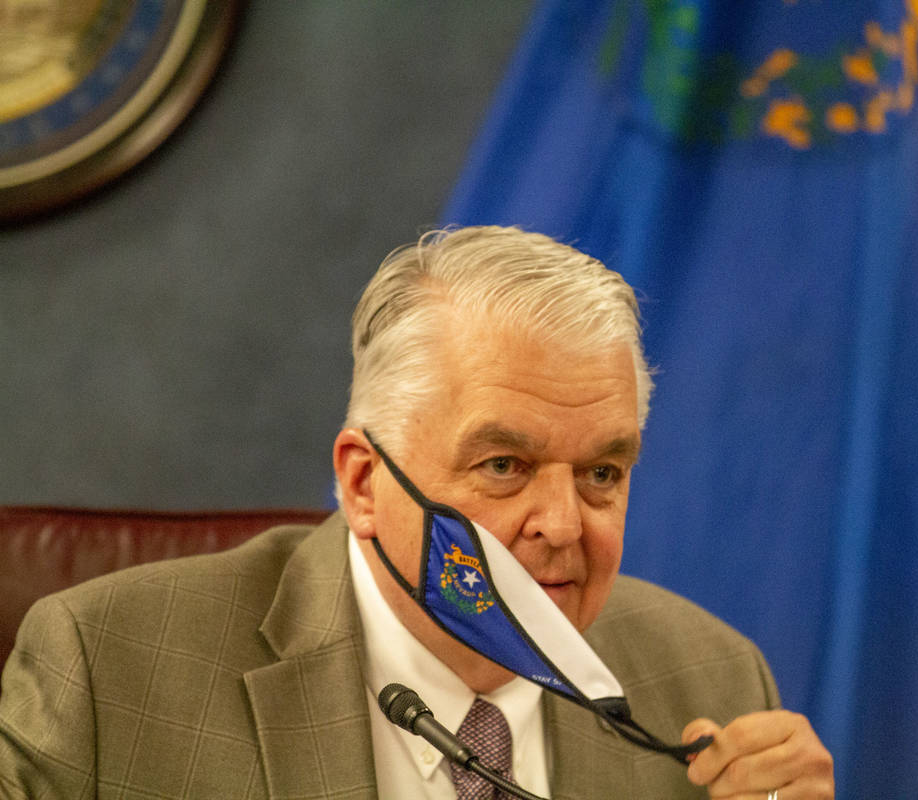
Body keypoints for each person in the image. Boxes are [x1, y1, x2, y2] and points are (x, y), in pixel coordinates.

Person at [0, 226, 833, 799]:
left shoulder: (712, 684)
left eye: (602, 473)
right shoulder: (108, 673)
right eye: (504, 466)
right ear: (364, 482)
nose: (564, 525)